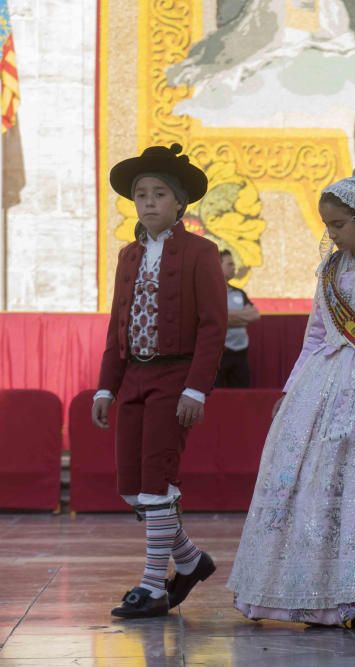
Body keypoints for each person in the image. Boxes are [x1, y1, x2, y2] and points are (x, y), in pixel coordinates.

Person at [226, 168, 355, 626]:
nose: (333, 233)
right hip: (321, 387)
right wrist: (290, 389)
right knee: (310, 482)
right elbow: (316, 335)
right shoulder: (331, 268)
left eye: (340, 224)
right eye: (328, 225)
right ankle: (310, 587)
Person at [92, 144, 227, 619]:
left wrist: (196, 387)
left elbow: (213, 325)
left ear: (179, 203)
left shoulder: (201, 252)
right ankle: (190, 561)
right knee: (132, 487)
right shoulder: (128, 256)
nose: (148, 202)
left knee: (157, 480)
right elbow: (118, 325)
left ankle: (153, 586)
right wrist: (106, 386)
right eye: (141, 195)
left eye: (159, 194)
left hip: (175, 376)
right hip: (133, 377)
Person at [216, 249, 260, 388]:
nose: (234, 267)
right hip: (219, 355)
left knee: (242, 396)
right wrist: (241, 317)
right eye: (230, 264)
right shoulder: (210, 292)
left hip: (240, 354)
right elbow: (215, 317)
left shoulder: (239, 293)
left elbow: (255, 315)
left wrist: (228, 316)